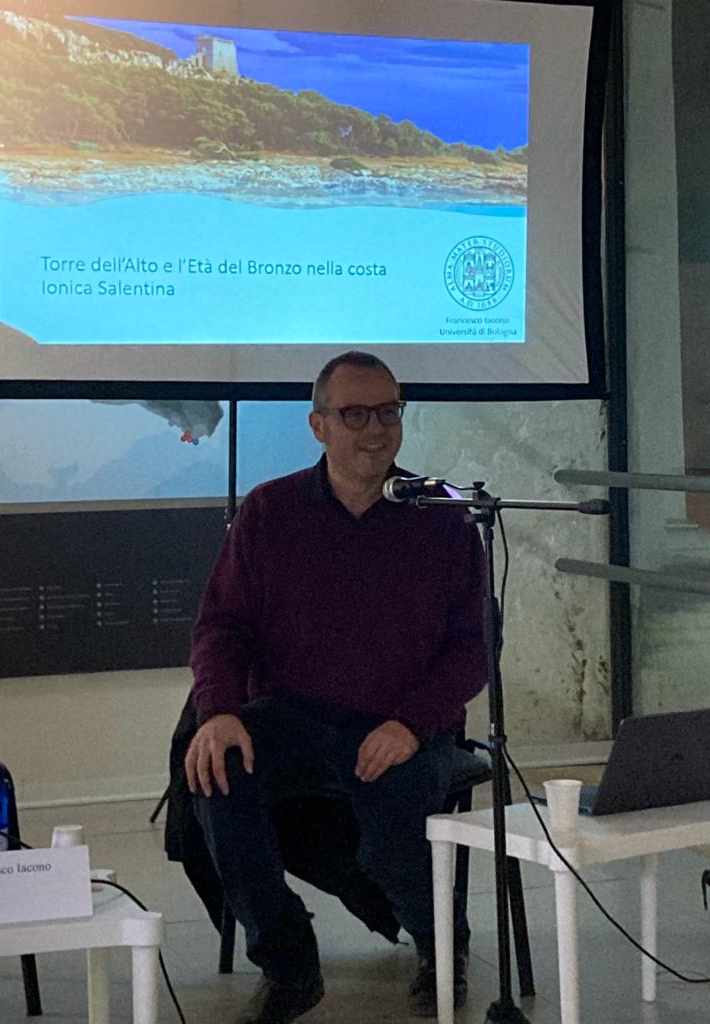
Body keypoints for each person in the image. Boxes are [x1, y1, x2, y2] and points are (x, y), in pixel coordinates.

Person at [185, 351, 486, 1024]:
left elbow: (474, 650)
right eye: (355, 414)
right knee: (217, 774)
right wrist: (219, 712)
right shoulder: (271, 511)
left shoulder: (441, 515)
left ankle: (443, 945)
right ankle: (290, 965)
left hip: (404, 724)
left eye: (389, 412)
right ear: (319, 425)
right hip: (292, 715)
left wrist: (411, 724)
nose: (375, 429)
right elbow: (221, 627)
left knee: (394, 812)